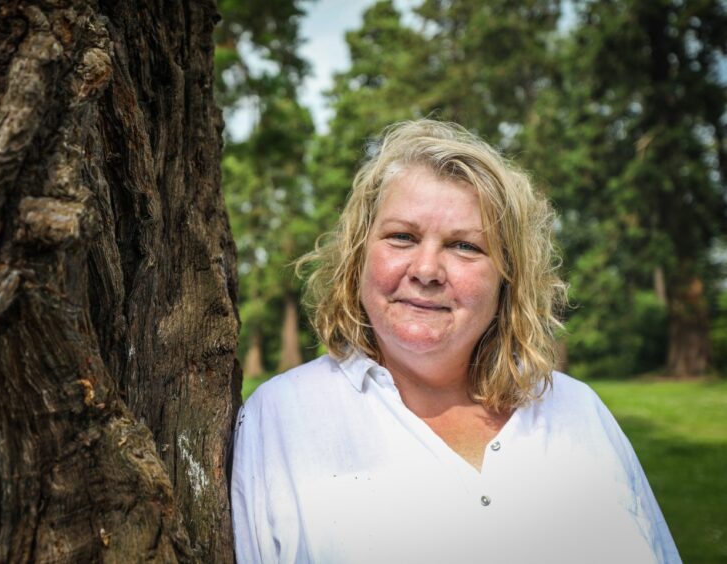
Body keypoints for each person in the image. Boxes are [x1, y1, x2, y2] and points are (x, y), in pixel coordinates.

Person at [231, 120, 680, 563]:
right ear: (358, 257)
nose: (426, 270)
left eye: (465, 246)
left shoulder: (579, 412)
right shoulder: (280, 419)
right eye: (402, 237)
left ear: (508, 277)